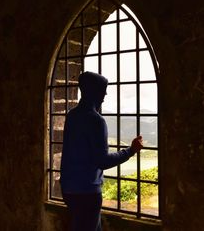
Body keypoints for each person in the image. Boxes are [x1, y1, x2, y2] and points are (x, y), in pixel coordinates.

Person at [60, 71, 143, 231]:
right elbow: (102, 161)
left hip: (69, 190)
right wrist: (131, 150)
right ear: (95, 92)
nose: (105, 95)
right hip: (88, 192)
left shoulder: (72, 116)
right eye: (103, 91)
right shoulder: (96, 121)